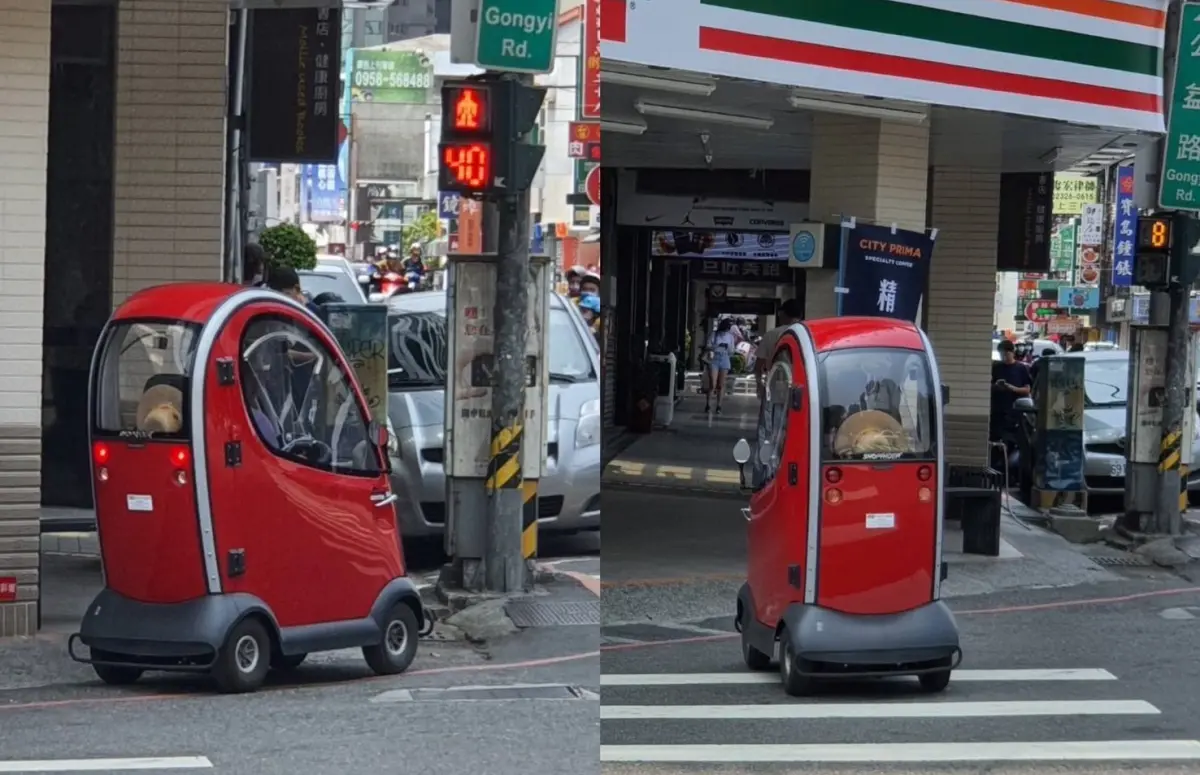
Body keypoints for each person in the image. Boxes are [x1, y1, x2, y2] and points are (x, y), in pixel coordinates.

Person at [755, 299, 802, 402]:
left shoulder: (771, 335)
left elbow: (759, 364)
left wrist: (759, 384)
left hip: (776, 387)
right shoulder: (807, 336)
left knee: (775, 415)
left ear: (783, 314)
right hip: (801, 389)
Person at [990, 339, 1032, 451]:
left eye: (1006, 353)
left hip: (1013, 412)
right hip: (997, 410)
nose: (1004, 356)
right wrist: (996, 386)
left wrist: (1012, 388)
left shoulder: (1021, 368)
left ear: (1012, 352)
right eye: (1001, 354)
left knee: (1011, 441)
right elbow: (989, 385)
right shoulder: (996, 367)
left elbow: (1027, 390)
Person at [706, 318, 738, 415]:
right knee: (713, 383)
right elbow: (708, 345)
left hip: (725, 358)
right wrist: (717, 346)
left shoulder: (730, 336)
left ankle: (719, 406)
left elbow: (732, 350)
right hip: (714, 358)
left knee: (721, 384)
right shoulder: (714, 334)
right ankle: (708, 404)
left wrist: (727, 348)